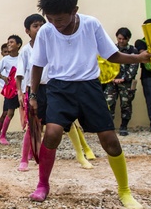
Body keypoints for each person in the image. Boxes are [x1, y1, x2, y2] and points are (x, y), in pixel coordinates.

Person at [27, 0, 151, 209]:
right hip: (59, 88)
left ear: (74, 11)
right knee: (52, 133)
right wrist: (33, 95)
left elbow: (112, 55)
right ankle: (42, 184)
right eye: (51, 19)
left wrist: (138, 58)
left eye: (60, 19)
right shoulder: (46, 31)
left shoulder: (91, 25)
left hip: (89, 88)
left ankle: (125, 191)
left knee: (110, 141)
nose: (55, 24)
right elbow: (37, 65)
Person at [15, 14, 96, 172]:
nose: (39, 29)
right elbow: (20, 73)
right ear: (27, 31)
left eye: (41, 25)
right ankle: (24, 159)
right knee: (33, 126)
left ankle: (80, 156)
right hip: (36, 91)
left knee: (69, 123)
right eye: (35, 26)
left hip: (55, 87)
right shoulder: (25, 51)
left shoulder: (53, 44)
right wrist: (20, 91)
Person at [103, 27, 139, 135]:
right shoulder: (111, 49)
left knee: (126, 104)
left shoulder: (133, 51)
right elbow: (105, 64)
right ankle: (109, 127)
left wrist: (123, 78)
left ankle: (124, 126)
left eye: (124, 39)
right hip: (111, 81)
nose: (121, 41)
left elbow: (134, 66)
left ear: (128, 39)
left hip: (126, 83)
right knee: (108, 103)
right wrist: (111, 78)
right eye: (119, 38)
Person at [0, 37, 22, 145]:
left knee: (25, 112)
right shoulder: (5, 59)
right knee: (9, 112)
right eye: (8, 42)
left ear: (18, 45)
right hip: (11, 89)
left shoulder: (22, 57)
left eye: (11, 42)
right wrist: (4, 78)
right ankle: (2, 135)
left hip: (22, 88)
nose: (9, 44)